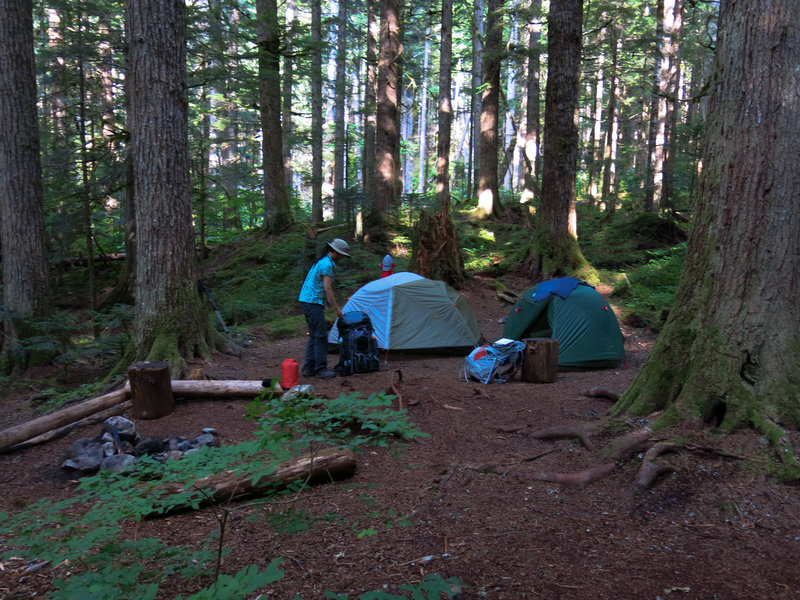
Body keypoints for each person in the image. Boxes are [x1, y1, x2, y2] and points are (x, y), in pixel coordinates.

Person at [298, 238, 350, 378]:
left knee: (314, 335)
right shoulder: (327, 264)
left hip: (308, 301)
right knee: (320, 336)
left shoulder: (322, 262)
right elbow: (328, 288)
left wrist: (325, 301)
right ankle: (321, 369)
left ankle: (309, 368)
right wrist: (336, 309)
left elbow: (319, 285)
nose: (342, 258)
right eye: (341, 255)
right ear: (335, 252)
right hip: (312, 302)